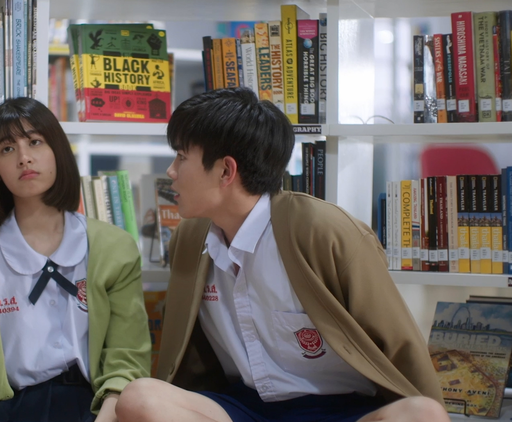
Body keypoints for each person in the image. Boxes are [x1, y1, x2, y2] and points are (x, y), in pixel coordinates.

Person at [115, 88, 449, 422]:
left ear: (226, 171)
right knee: (139, 398)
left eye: (181, 157)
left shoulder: (324, 232)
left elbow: (399, 344)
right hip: (245, 407)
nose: (171, 171)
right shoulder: (189, 239)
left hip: (341, 408)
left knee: (423, 414)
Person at [0, 97, 151, 422]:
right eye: (7, 149)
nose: (24, 158)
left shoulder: (114, 247)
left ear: (58, 151)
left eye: (34, 142)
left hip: (95, 409)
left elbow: (127, 360)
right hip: (8, 411)